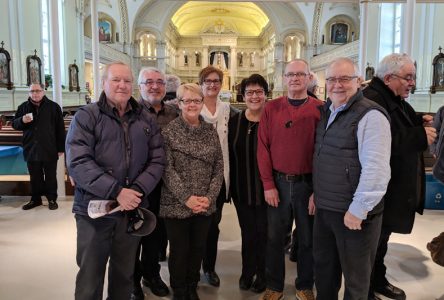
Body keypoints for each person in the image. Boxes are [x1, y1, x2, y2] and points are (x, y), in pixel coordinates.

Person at [66, 62, 165, 300]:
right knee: (90, 276)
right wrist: (116, 190)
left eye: (127, 80)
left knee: (124, 276)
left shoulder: (145, 118)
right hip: (94, 210)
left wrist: (137, 190)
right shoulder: (87, 116)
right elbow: (78, 162)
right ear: (103, 83)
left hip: (130, 209)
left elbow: (157, 159)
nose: (122, 85)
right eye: (116, 80)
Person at [312, 57, 392, 300]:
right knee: (325, 274)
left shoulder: (371, 115)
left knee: (356, 282)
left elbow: (376, 169)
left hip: (354, 214)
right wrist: (318, 193)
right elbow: (327, 159)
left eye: (345, 79)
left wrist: (358, 209)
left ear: (358, 81)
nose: (338, 84)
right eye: (332, 79)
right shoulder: (328, 110)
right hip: (327, 209)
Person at [363, 53, 437, 300]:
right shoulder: (373, 100)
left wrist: (418, 119)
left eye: (413, 77)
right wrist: (419, 136)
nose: (412, 82)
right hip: (380, 190)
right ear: (388, 78)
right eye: (408, 77)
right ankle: (366, 288)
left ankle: (377, 280)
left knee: (382, 240)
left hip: (392, 188)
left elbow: (399, 120)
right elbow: (379, 142)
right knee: (371, 243)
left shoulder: (390, 97)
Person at [257, 59, 323, 300]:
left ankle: (305, 285)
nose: (294, 78)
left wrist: (318, 190)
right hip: (279, 184)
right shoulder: (271, 108)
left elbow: (322, 151)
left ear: (308, 78)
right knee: (275, 239)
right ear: (283, 79)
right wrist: (268, 184)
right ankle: (274, 286)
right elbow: (263, 148)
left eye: (300, 74)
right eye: (290, 74)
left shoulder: (320, 108)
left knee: (308, 239)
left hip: (308, 184)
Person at [160, 83, 224, 300]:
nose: (192, 105)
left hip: (204, 204)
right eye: (187, 100)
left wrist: (209, 197)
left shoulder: (209, 131)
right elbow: (166, 169)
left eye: (197, 100)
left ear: (202, 103)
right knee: (179, 252)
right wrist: (187, 198)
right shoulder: (169, 131)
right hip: (176, 203)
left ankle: (191, 286)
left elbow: (218, 166)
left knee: (198, 249)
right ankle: (179, 289)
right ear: (179, 104)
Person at [131, 67, 179, 300]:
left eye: (159, 82)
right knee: (135, 233)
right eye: (148, 82)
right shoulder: (131, 111)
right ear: (139, 86)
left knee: (157, 235)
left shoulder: (173, 112)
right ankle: (132, 280)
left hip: (167, 184)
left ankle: (152, 274)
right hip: (138, 184)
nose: (155, 86)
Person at [228, 74, 268, 294]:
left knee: (264, 234)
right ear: (243, 96)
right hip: (242, 189)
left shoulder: (271, 119)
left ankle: (262, 274)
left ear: (265, 94)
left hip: (268, 191)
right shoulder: (235, 121)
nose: (254, 96)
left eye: (258, 91)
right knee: (247, 232)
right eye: (250, 92)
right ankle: (247, 271)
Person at [199, 65, 237, 287]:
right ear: (201, 83)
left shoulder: (228, 109)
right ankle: (191, 268)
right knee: (194, 226)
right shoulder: (193, 106)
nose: (212, 84)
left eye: (216, 81)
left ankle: (209, 267)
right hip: (195, 178)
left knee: (213, 225)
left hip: (220, 176)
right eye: (208, 81)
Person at [12, 83, 65, 210]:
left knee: (51, 175)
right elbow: (14, 124)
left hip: (49, 147)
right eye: (32, 91)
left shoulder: (54, 107)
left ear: (43, 91)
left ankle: (52, 199)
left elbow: (60, 129)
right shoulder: (23, 107)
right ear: (29, 93)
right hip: (31, 148)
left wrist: (60, 148)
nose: (35, 93)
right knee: (35, 176)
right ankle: (35, 199)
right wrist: (22, 121)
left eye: (37, 91)